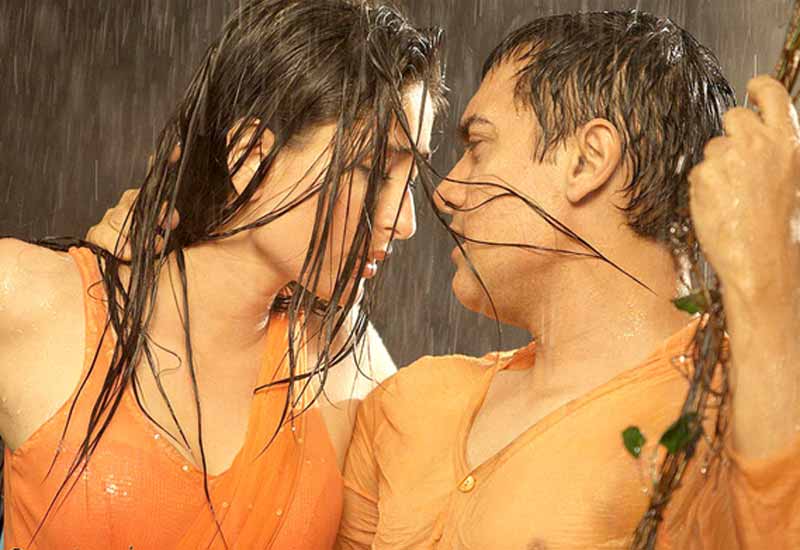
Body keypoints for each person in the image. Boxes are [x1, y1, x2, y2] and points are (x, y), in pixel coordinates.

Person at [336, 11, 800, 550]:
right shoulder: (411, 405)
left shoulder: (735, 410)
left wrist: (772, 283)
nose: (445, 192)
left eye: (478, 146)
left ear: (587, 161)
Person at [0, 0, 444, 548]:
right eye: (372, 170)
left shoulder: (347, 359)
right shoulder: (30, 301)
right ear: (250, 155)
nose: (405, 221)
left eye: (410, 178)